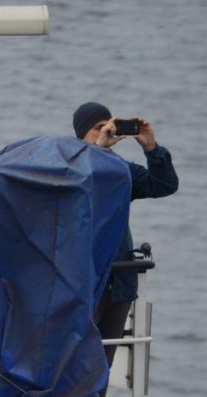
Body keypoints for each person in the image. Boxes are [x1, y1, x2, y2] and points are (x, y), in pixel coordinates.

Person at [72, 101, 179, 366]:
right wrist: (98, 150)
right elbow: (79, 187)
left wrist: (151, 147)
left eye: (109, 126)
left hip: (119, 283)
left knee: (102, 361)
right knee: (75, 356)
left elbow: (164, 185)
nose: (106, 131)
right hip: (84, 283)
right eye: (98, 128)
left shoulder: (121, 171)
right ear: (82, 133)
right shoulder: (70, 167)